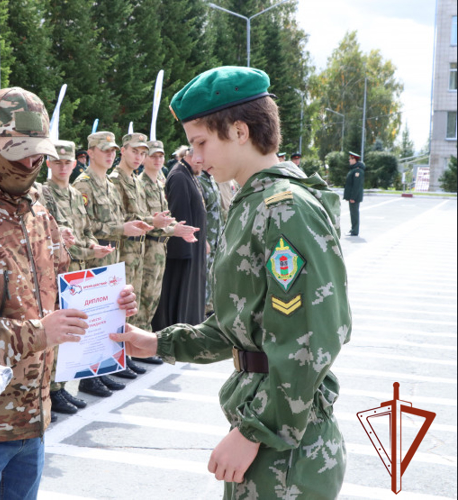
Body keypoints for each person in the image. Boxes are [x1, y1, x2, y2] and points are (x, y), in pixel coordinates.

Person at [112, 66, 350, 498]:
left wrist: (256, 431)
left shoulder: (284, 209)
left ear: (239, 131)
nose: (196, 157)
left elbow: (309, 339)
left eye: (202, 142)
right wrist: (156, 343)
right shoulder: (253, 202)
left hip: (285, 443)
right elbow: (238, 326)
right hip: (269, 422)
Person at [0, 87, 138, 499]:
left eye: (40, 153)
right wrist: (38, 333)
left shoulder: (34, 209)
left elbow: (60, 289)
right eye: (21, 152)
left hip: (31, 424)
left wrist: (109, 303)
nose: (34, 162)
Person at [72, 131, 150, 395]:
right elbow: (85, 225)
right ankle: (89, 376)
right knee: (93, 319)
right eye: (103, 150)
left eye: (113, 151)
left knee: (110, 315)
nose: (109, 154)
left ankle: (105, 368)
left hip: (113, 257)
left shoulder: (107, 183)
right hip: (96, 259)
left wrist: (128, 227)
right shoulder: (83, 185)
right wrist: (121, 228)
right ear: (90, 152)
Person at [42, 140, 113, 414]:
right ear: (49, 163)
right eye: (57, 162)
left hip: (79, 273)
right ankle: (51, 392)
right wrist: (85, 248)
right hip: (57, 273)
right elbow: (52, 235)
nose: (62, 166)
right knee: (57, 332)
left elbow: (85, 230)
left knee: (76, 331)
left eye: (67, 162)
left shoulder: (74, 194)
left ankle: (61, 388)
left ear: (74, 163)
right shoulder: (44, 194)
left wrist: (93, 245)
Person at [109, 132, 168, 377]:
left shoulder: (134, 180)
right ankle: (119, 356)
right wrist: (151, 221)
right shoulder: (115, 179)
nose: (139, 157)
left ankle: (130, 353)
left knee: (140, 303)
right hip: (123, 251)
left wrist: (160, 224)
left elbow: (140, 216)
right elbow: (118, 218)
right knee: (121, 306)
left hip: (140, 250)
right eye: (135, 151)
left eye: (142, 153)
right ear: (123, 150)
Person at [135, 139, 199, 363]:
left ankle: (142, 345)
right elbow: (142, 220)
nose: (157, 159)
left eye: (160, 156)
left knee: (152, 299)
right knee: (142, 300)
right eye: (152, 156)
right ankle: (136, 349)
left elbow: (163, 220)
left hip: (159, 247)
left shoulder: (159, 182)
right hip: (147, 247)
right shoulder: (141, 184)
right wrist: (171, 229)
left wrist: (175, 230)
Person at [152, 147, 207, 329]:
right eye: (199, 160)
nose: (202, 164)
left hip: (193, 244)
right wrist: (184, 250)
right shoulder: (179, 176)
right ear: (189, 156)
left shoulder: (188, 174)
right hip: (184, 248)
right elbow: (178, 213)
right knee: (180, 293)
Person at [196, 166, 223, 316]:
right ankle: (204, 310)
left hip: (216, 238)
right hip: (207, 239)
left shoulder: (211, 180)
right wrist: (203, 238)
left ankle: (210, 306)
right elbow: (200, 213)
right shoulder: (200, 181)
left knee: (212, 274)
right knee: (204, 275)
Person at [343, 151, 365, 236]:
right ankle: (353, 229)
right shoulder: (353, 169)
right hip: (353, 197)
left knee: (354, 213)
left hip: (354, 198)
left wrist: (352, 197)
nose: (349, 160)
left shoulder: (357, 171)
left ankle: (354, 230)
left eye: (350, 159)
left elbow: (356, 186)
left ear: (354, 159)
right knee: (353, 213)